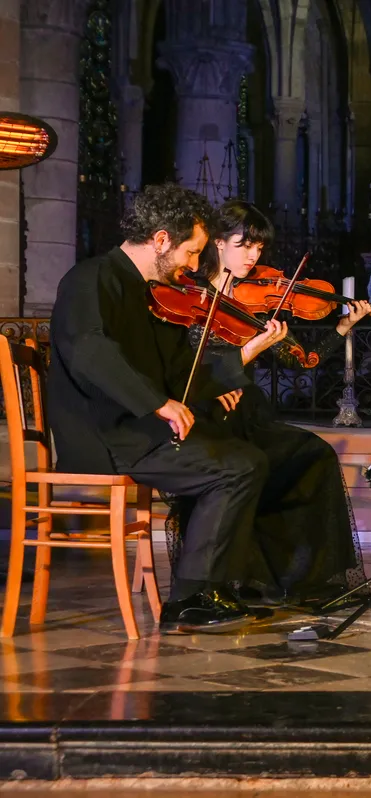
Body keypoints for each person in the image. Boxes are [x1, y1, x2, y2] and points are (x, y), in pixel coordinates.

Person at [47, 183, 289, 633]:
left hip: (138, 429)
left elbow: (181, 374)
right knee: (235, 467)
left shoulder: (154, 294)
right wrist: (157, 403)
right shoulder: (91, 278)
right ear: (161, 240)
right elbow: (88, 351)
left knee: (249, 457)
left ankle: (219, 585)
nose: (196, 266)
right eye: (192, 253)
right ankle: (191, 597)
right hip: (105, 435)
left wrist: (233, 368)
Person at [163, 199, 371, 611]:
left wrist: (341, 328)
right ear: (217, 243)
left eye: (259, 249)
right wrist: (247, 350)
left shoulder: (258, 304)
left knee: (315, 455)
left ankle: (307, 580)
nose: (253, 256)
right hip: (205, 413)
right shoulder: (187, 297)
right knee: (245, 467)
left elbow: (304, 359)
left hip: (249, 412)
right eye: (245, 245)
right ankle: (238, 581)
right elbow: (183, 365)